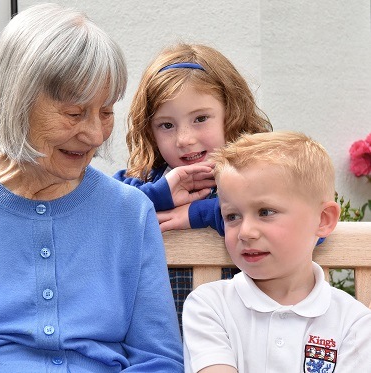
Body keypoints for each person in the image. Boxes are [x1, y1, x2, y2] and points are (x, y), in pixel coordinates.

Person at [0, 3, 183, 372]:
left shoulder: (128, 212)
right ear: (15, 102)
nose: (94, 134)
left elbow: (158, 360)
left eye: (106, 112)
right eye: (74, 113)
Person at [182, 131, 371, 373]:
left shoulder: (353, 323)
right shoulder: (209, 306)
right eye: (232, 216)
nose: (246, 232)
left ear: (323, 219)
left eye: (265, 212)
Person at [113, 43, 272, 329]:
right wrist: (158, 195)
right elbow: (102, 213)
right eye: (166, 125)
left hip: (239, 341)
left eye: (200, 119)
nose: (184, 139)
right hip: (163, 345)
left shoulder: (260, 179)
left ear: (231, 113)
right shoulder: (144, 181)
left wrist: (204, 213)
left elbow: (303, 228)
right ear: (149, 129)